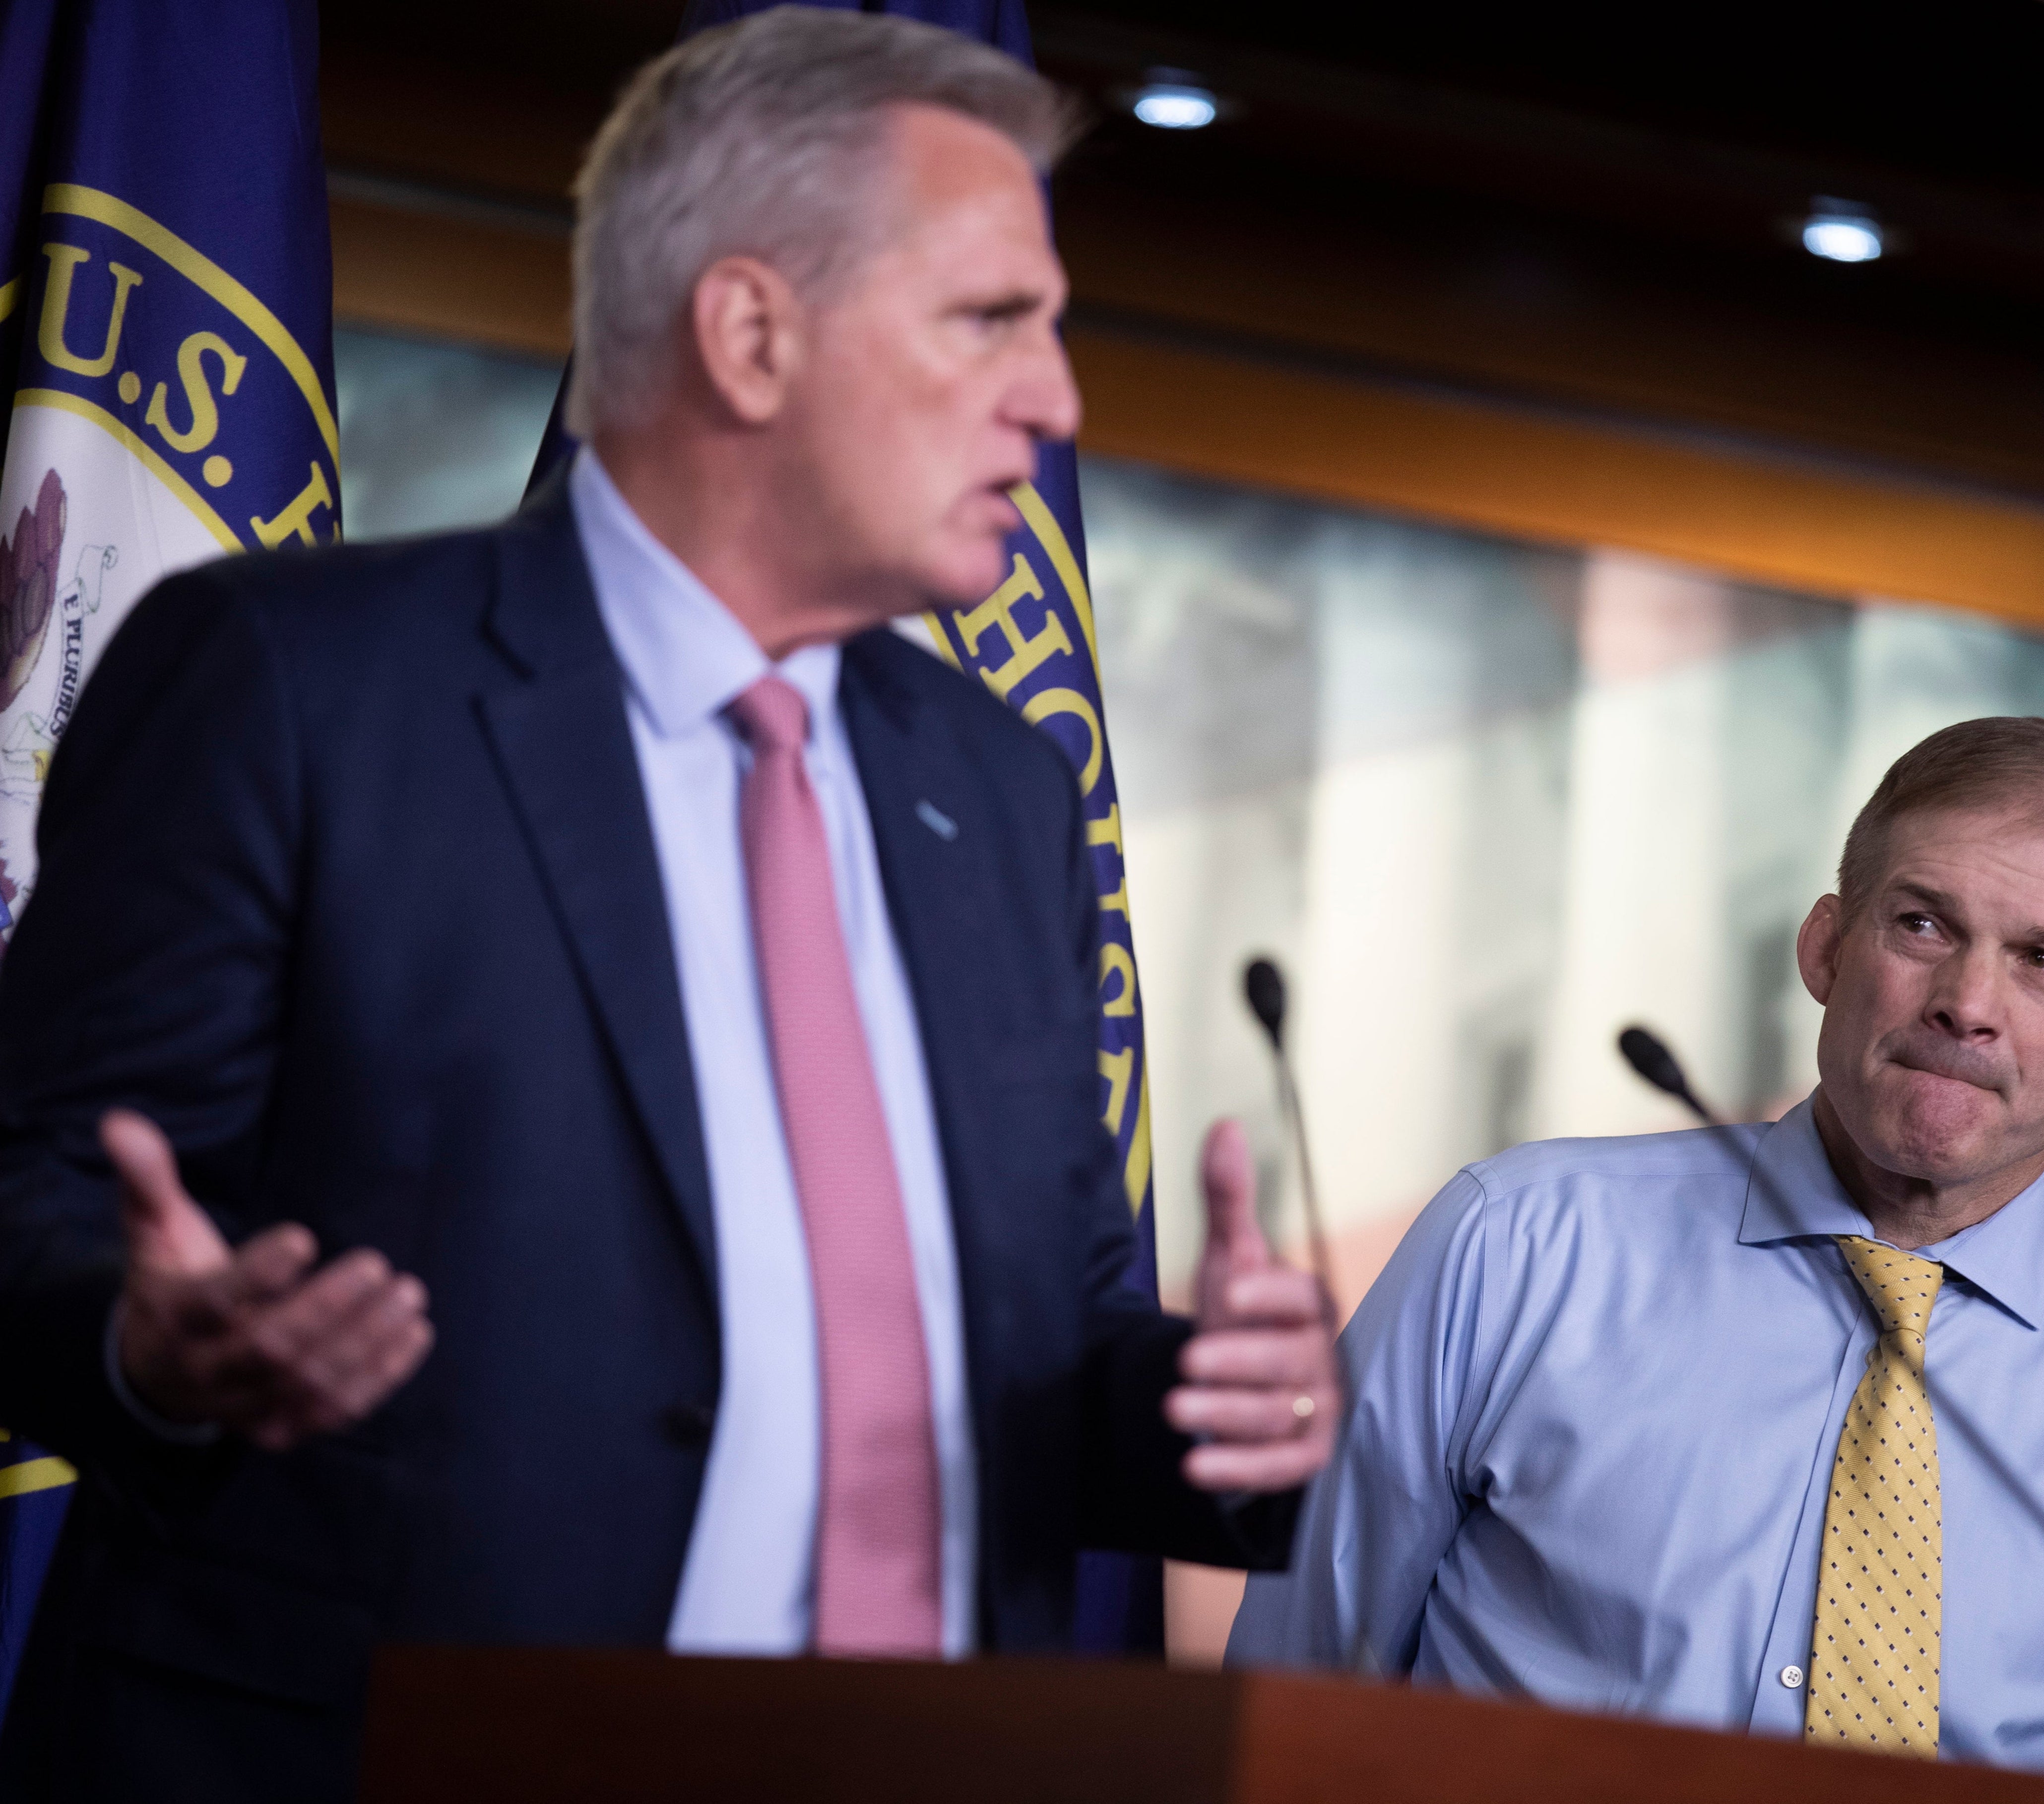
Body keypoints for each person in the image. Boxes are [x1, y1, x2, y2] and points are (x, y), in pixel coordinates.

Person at [0, 13, 1339, 1799]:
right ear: (750, 331)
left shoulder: (1000, 793)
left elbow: (1046, 1339)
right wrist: (145, 1343)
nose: (1054, 397)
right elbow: (36, 1195)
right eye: (986, 319)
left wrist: (1214, 1412)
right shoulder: (293, 685)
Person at [1227, 717, 2044, 1794]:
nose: (1969, 1004)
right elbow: (1289, 1702)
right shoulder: (1516, 1248)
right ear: (1826, 945)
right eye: (1923, 924)